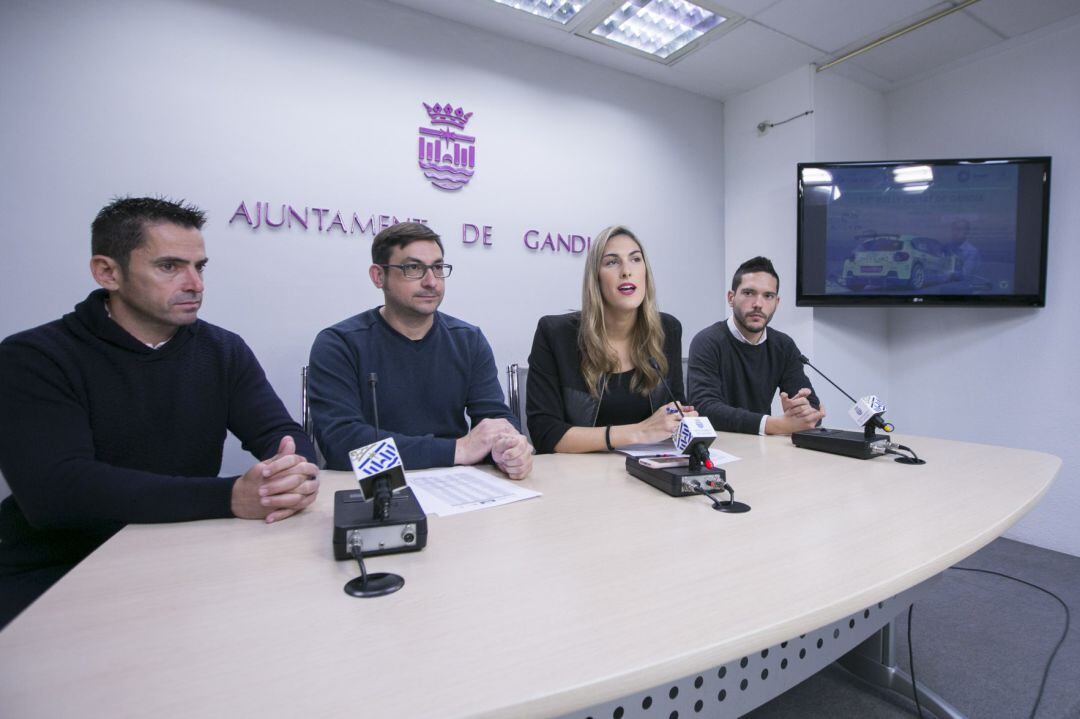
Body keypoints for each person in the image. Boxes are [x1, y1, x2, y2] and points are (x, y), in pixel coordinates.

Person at [0, 197, 319, 629]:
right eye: (170, 266)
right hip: (60, 567)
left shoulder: (222, 349)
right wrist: (229, 497)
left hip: (186, 552)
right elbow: (56, 492)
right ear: (107, 272)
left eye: (200, 267)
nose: (195, 284)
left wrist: (291, 468)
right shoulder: (35, 357)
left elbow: (278, 430)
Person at [307, 222, 532, 479]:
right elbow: (341, 445)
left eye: (437, 267)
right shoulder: (339, 344)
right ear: (378, 276)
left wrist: (510, 447)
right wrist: (456, 449)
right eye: (413, 268)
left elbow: (495, 419)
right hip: (375, 487)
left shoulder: (469, 340)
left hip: (458, 484)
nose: (431, 282)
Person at [526, 225, 691, 454]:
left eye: (635, 259)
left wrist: (682, 419)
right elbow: (545, 433)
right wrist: (638, 432)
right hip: (579, 477)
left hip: (650, 471)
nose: (626, 271)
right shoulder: (555, 334)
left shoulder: (667, 329)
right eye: (612, 262)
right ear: (595, 278)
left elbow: (675, 408)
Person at [688, 256, 824, 435]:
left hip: (762, 447)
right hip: (720, 446)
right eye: (748, 293)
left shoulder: (783, 346)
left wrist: (802, 409)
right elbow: (705, 408)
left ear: (777, 303)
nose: (758, 304)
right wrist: (776, 425)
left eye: (768, 296)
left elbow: (813, 408)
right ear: (731, 298)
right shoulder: (707, 341)